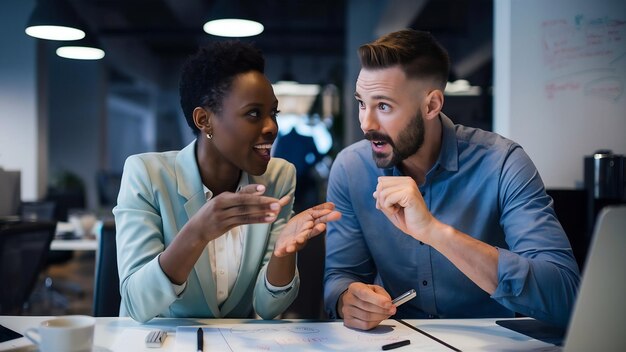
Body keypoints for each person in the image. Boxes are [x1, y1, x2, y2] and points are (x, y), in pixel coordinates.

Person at [323, 29, 580, 330]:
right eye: (361, 103)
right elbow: (341, 276)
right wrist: (347, 299)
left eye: (383, 106)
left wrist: (435, 232)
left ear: (431, 105)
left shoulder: (502, 162)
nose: (366, 123)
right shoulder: (351, 169)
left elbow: (565, 295)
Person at [113, 41, 341, 323]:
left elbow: (267, 308)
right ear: (204, 120)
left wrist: (283, 253)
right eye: (254, 113)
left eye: (273, 113)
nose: (272, 127)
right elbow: (137, 303)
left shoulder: (278, 177)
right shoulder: (146, 174)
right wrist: (197, 232)